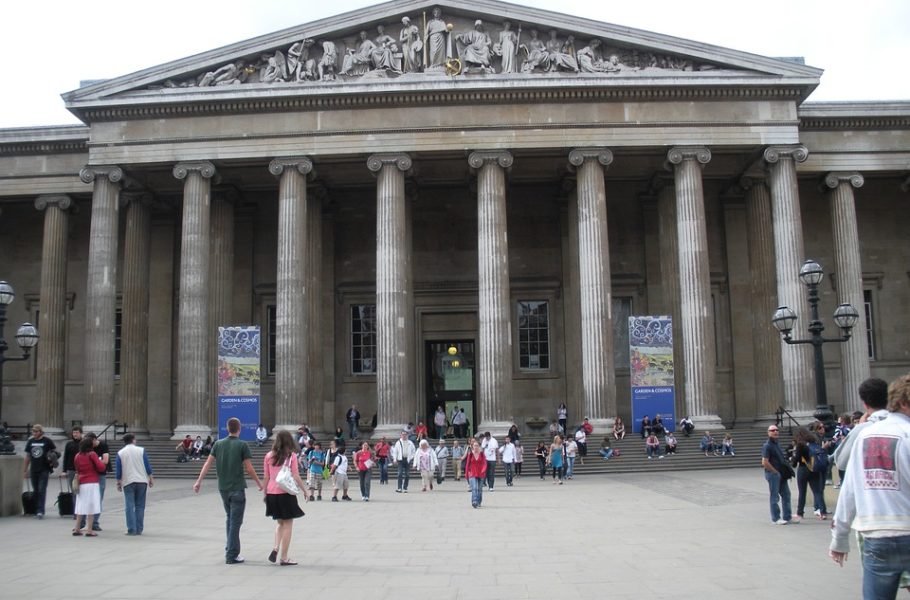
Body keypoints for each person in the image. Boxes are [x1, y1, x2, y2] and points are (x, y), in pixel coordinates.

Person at [830, 374, 910, 598]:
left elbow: (849, 490)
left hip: (876, 533)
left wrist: (839, 538)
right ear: (904, 403)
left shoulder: (864, 435)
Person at [193, 417, 264, 564]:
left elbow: (207, 464)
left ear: (227, 428)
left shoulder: (218, 444)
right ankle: (231, 555)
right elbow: (249, 468)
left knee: (230, 519)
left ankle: (230, 548)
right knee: (235, 522)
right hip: (237, 488)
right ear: (239, 429)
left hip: (223, 488)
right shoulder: (242, 445)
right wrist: (259, 483)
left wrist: (199, 481)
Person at [261, 429, 306, 566]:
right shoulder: (291, 456)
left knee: (279, 523)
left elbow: (266, 476)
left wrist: (265, 493)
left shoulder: (268, 456)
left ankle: (276, 547)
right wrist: (305, 491)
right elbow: (296, 476)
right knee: (288, 525)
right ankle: (284, 557)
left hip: (272, 493)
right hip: (285, 493)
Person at [115, 433, 154, 536]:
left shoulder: (120, 453)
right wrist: (151, 477)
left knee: (129, 505)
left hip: (128, 481)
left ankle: (131, 529)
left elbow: (119, 470)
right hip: (142, 480)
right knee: (140, 505)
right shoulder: (141, 450)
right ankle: (139, 528)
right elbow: (147, 465)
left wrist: (118, 482)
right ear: (133, 440)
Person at [792, 426, 827, 523]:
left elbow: (797, 459)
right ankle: (823, 512)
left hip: (803, 469)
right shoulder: (813, 442)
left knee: (802, 492)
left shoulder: (800, 445)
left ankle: (800, 513)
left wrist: (792, 461)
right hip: (814, 468)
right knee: (817, 492)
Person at [72, 436, 106, 536]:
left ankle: (77, 528)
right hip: (92, 482)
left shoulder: (77, 455)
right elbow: (101, 467)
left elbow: (77, 468)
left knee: (80, 505)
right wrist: (101, 462)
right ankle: (89, 530)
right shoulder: (92, 454)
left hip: (81, 482)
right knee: (91, 505)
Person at [22, 424, 57, 519]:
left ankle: (40, 510)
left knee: (42, 489)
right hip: (34, 469)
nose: (34, 433)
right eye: (33, 431)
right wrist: (25, 470)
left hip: (44, 468)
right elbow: (28, 456)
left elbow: (55, 452)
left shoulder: (47, 441)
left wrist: (52, 460)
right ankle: (36, 509)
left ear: (41, 432)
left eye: (36, 431)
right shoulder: (30, 441)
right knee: (36, 490)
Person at [761, 424, 793, 525]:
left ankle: (787, 516)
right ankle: (776, 518)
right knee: (774, 496)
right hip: (773, 474)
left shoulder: (777, 444)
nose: (775, 432)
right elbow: (764, 462)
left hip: (781, 474)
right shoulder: (767, 446)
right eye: (772, 430)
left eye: (776, 430)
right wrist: (775, 472)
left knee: (786, 494)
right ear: (768, 433)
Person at [79, 433, 109, 532]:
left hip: (96, 476)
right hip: (90, 477)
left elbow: (105, 461)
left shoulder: (102, 446)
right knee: (91, 500)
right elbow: (102, 464)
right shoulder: (90, 452)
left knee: (94, 499)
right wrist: (96, 462)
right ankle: (86, 525)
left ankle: (91, 523)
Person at [60, 426, 83, 507]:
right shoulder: (69, 444)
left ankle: (81, 508)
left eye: (77, 432)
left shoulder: (84, 443)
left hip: (82, 470)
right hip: (71, 470)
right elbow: (65, 457)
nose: (75, 434)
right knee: (74, 490)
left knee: (82, 490)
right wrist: (64, 470)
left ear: (81, 433)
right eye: (74, 433)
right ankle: (76, 509)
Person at [464, 440, 487, 508]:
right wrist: (466, 474)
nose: (476, 447)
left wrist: (483, 469)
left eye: (477, 445)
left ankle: (479, 502)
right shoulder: (470, 454)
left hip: (480, 473)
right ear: (472, 447)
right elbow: (467, 464)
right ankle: (474, 501)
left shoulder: (482, 454)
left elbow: (485, 463)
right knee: (474, 488)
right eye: (474, 445)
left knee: (479, 489)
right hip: (472, 473)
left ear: (479, 446)